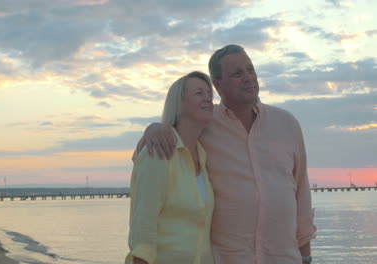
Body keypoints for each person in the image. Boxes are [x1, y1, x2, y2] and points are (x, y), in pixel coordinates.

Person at [135, 44, 316, 264]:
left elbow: (301, 193)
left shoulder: (287, 124)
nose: (248, 77)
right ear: (218, 85)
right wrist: (154, 128)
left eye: (250, 70)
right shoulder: (205, 125)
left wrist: (305, 256)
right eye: (238, 73)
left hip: (284, 258)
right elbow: (160, 146)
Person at [126, 71, 215, 264]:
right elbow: (143, 229)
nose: (208, 98)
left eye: (210, 94)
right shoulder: (157, 153)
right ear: (179, 104)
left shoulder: (203, 156)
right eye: (199, 93)